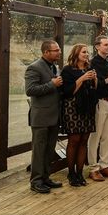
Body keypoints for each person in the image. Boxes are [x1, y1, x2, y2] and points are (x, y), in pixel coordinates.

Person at [24, 40, 64, 194]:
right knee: (39, 150)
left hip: (54, 115)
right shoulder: (34, 68)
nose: (59, 52)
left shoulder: (54, 67)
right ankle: (36, 181)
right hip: (41, 117)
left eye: (59, 50)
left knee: (49, 150)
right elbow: (30, 90)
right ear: (46, 52)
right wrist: (52, 84)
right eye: (55, 50)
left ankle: (46, 177)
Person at [61, 43, 98, 186]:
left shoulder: (89, 68)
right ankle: (71, 174)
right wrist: (82, 79)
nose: (86, 55)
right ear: (76, 54)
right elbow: (68, 91)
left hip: (88, 107)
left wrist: (94, 80)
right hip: (73, 107)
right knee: (74, 140)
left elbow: (95, 89)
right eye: (84, 52)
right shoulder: (68, 70)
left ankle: (80, 172)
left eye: (87, 52)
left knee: (84, 141)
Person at [87, 35, 108, 182]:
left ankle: (105, 165)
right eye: (105, 44)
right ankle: (93, 168)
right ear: (97, 46)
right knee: (96, 136)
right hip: (99, 101)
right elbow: (92, 84)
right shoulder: (92, 63)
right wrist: (106, 81)